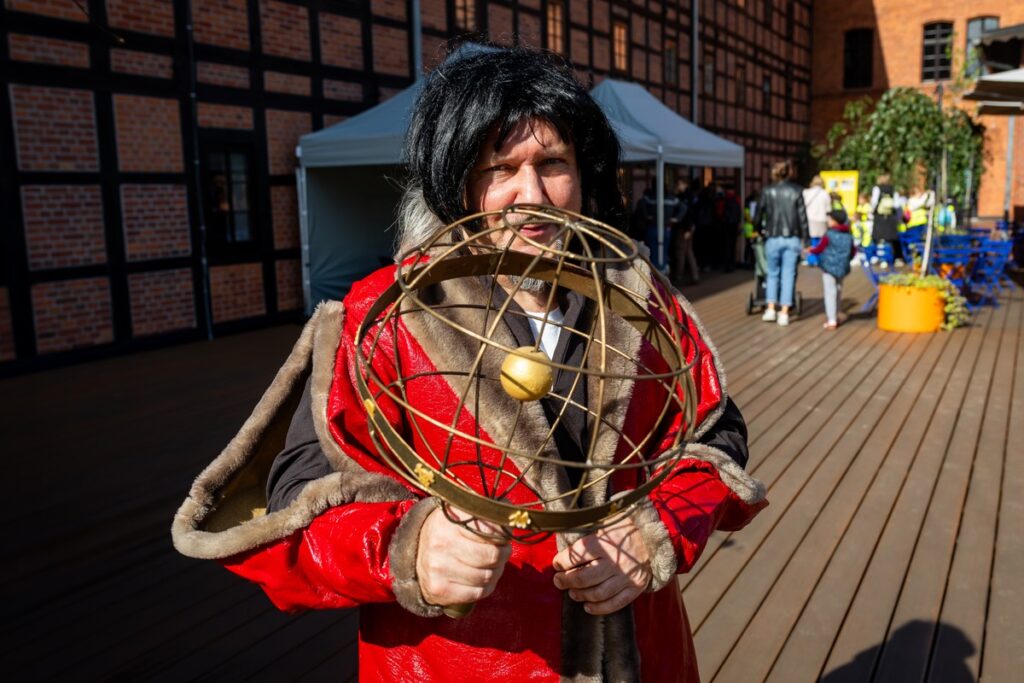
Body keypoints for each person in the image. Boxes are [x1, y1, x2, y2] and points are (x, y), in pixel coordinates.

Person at [172, 47, 766, 682]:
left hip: (640, 654)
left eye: (554, 163)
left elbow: (714, 443)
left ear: (584, 172)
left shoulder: (646, 300)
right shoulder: (380, 319)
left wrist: (656, 534)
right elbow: (283, 508)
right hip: (457, 662)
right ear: (455, 179)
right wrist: (406, 550)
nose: (531, 195)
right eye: (500, 168)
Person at [754, 160, 809, 327]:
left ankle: (770, 308)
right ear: (789, 172)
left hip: (772, 237)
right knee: (788, 275)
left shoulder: (767, 191)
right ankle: (784, 312)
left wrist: (759, 231)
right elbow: (802, 218)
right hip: (792, 238)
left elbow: (758, 214)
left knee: (772, 274)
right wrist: (805, 239)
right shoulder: (797, 191)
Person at [806, 208, 856, 330]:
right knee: (838, 291)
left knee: (830, 293)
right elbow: (853, 251)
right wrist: (846, 259)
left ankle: (832, 319)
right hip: (842, 267)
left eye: (830, 219)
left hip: (828, 267)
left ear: (834, 221)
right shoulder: (848, 235)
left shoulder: (829, 234)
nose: (828, 221)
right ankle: (836, 314)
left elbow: (820, 248)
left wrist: (810, 250)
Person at [636, 183, 686, 274]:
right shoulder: (671, 199)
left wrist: (646, 216)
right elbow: (683, 207)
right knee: (663, 251)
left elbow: (640, 203)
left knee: (653, 251)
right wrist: (676, 218)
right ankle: (661, 270)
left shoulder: (650, 198)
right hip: (664, 228)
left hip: (653, 227)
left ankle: (657, 271)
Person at [870, 174, 901, 268]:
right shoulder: (893, 190)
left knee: (878, 239)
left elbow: (874, 202)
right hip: (890, 218)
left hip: (880, 217)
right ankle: (888, 258)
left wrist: (872, 212)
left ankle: (879, 257)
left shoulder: (877, 189)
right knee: (889, 240)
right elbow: (896, 205)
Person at [802, 175, 831, 267]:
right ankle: (819, 259)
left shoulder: (806, 192)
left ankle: (811, 259)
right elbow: (828, 209)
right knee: (821, 241)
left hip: (809, 219)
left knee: (811, 240)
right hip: (822, 220)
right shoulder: (825, 194)